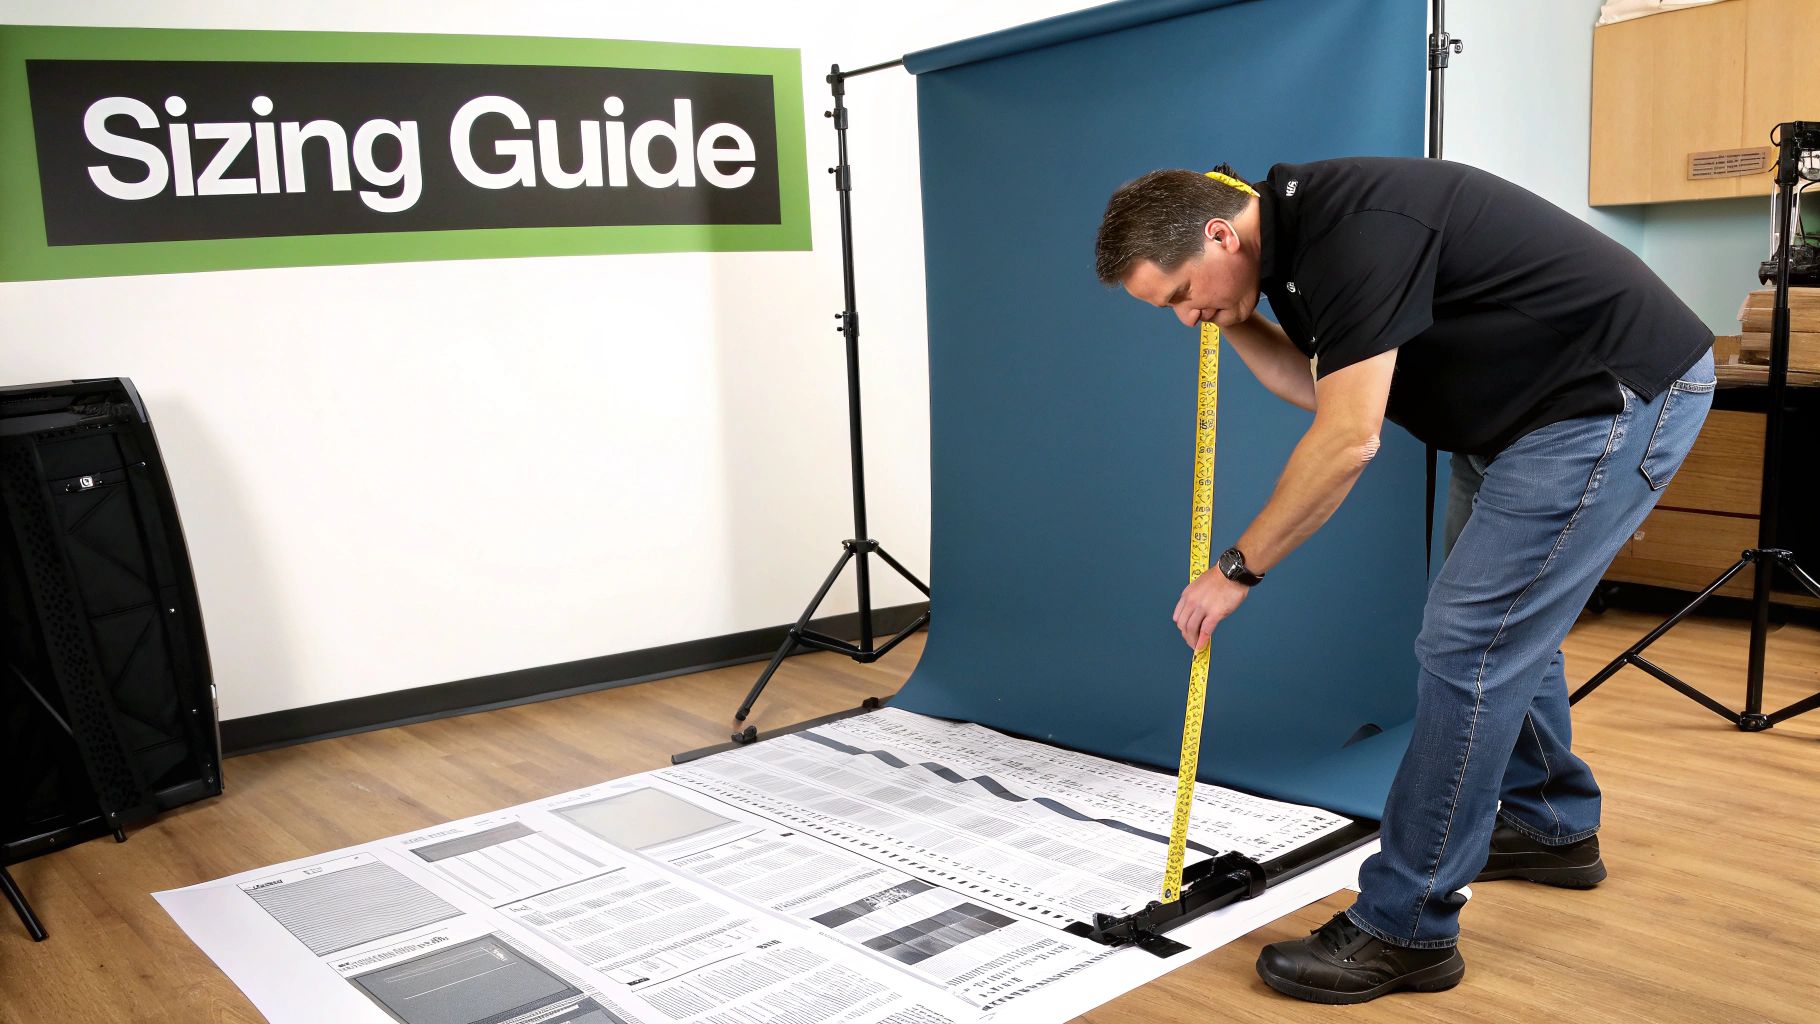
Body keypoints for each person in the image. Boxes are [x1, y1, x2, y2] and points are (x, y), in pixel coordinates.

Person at [1093, 157, 1714, 1005]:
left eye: (1179, 295)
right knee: (1496, 631)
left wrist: (1238, 569)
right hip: (1518, 420)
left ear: (1219, 234)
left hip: (1605, 401)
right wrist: (1228, 316)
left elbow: (1350, 438)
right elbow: (1319, 390)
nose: (1182, 316)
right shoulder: (1288, 253)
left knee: (1469, 647)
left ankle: (1406, 927)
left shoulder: (1353, 232)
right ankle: (1550, 823)